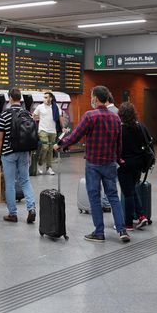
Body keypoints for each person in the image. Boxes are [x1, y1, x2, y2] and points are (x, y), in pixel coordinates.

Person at [55, 86, 129, 243]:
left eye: (91, 97)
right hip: (110, 163)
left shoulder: (90, 116)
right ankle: (122, 230)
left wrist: (60, 144)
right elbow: (119, 142)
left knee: (95, 197)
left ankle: (99, 232)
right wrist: (118, 158)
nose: (91, 100)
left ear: (95, 99)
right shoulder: (116, 118)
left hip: (93, 164)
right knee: (113, 196)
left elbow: (75, 136)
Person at [0, 88, 37, 223]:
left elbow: (0, 138)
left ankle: (12, 214)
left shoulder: (4, 114)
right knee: (25, 181)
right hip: (24, 152)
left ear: (10, 98)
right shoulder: (27, 114)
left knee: (10, 183)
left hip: (8, 154)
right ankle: (31, 208)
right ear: (20, 99)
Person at [118, 102, 150, 231]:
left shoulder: (120, 129)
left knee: (128, 194)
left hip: (124, 164)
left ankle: (129, 223)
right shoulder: (140, 126)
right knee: (132, 189)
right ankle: (142, 215)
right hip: (138, 163)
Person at [33, 91, 64, 176]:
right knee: (45, 147)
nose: (45, 99)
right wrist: (39, 118)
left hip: (52, 131)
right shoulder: (40, 107)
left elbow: (60, 116)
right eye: (44, 97)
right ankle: (40, 163)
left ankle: (49, 168)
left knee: (51, 150)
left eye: (46, 97)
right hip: (42, 130)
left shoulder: (55, 106)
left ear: (51, 98)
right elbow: (34, 115)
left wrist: (63, 127)